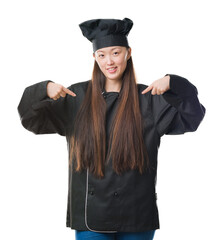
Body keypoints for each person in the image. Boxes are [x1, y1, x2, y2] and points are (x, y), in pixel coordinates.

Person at [17, 18, 206, 240]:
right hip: (91, 219)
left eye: (116, 53)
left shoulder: (148, 98)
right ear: (94, 58)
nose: (109, 61)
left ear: (128, 52)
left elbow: (193, 118)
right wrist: (43, 89)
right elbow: (30, 119)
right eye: (102, 55)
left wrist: (176, 84)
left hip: (137, 216)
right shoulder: (76, 98)